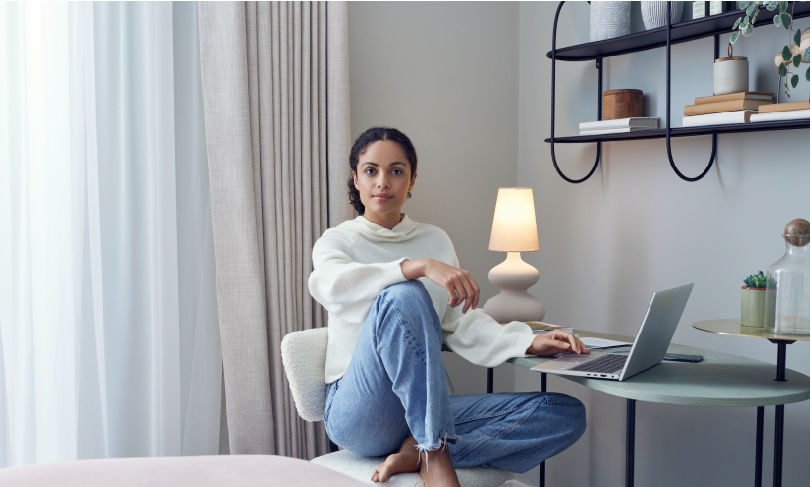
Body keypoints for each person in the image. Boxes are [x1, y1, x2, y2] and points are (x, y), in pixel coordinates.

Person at [308, 127, 588, 487]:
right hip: (361, 414)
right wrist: (417, 267)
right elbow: (330, 285)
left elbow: (460, 322)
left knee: (563, 413)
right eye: (371, 170)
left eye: (396, 171)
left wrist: (527, 342)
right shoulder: (338, 240)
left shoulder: (434, 240)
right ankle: (435, 452)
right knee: (404, 293)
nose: (383, 182)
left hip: (424, 412)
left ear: (411, 180)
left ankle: (419, 449)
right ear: (356, 179)